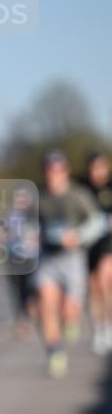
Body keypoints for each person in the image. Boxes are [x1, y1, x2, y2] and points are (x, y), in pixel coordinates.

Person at [35, 150, 103, 378]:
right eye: (49, 171)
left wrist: (79, 236)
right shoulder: (40, 197)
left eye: (57, 170)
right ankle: (54, 352)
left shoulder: (78, 195)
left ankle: (69, 322)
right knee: (45, 303)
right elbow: (27, 225)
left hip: (73, 257)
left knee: (69, 310)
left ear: (65, 171)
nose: (53, 175)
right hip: (48, 257)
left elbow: (97, 222)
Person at [81, 150, 112, 354]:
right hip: (88, 243)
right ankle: (98, 329)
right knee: (92, 288)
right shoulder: (83, 188)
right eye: (93, 168)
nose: (96, 172)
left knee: (104, 280)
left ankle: (108, 325)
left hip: (108, 241)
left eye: (100, 167)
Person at [4, 184, 40, 338]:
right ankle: (22, 319)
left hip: (31, 257)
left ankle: (28, 317)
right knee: (17, 290)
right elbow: (4, 233)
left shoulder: (35, 214)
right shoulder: (10, 215)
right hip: (14, 256)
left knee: (30, 289)